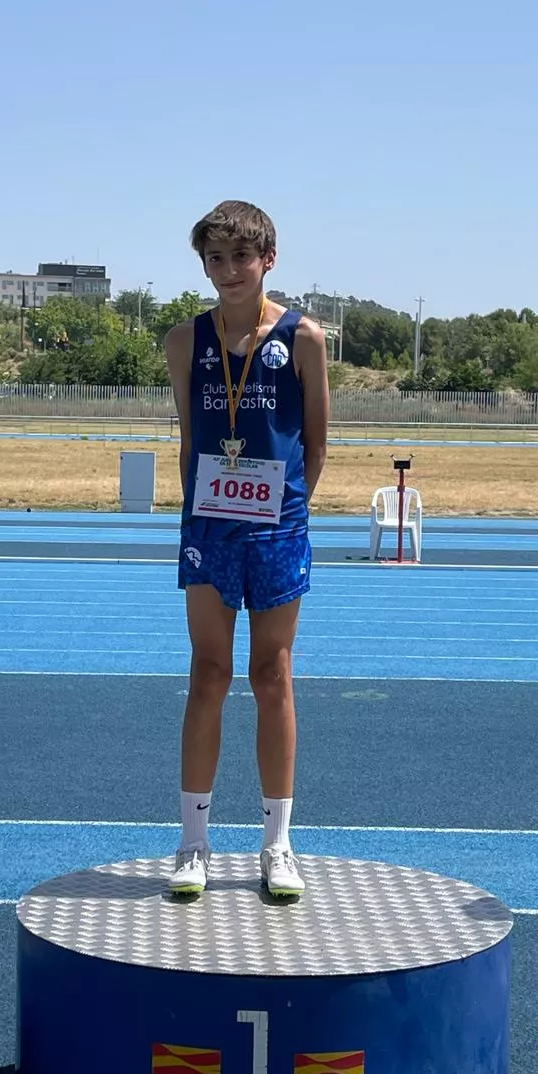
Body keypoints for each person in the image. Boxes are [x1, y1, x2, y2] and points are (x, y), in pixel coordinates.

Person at [162, 201, 329, 898]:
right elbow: (188, 440)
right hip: (209, 527)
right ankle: (193, 842)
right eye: (215, 259)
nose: (229, 271)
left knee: (272, 675)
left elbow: (316, 443)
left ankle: (277, 843)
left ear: (268, 259)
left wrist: (283, 508)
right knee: (208, 674)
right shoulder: (184, 340)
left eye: (241, 257)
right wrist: (206, 509)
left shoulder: (304, 337)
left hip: (278, 527)